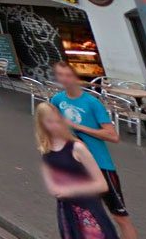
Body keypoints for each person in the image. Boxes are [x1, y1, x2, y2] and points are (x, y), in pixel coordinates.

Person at [50, 62, 134, 239]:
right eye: (60, 75)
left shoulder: (92, 103)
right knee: (86, 216)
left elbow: (113, 136)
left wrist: (78, 127)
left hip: (101, 165)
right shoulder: (57, 100)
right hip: (76, 166)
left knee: (120, 217)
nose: (65, 79)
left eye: (68, 75)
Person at [35, 101, 120, 239]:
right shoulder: (46, 150)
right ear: (42, 124)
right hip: (67, 210)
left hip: (88, 208)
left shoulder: (77, 147)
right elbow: (52, 183)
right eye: (50, 122)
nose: (55, 126)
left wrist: (69, 190)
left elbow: (102, 184)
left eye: (58, 121)